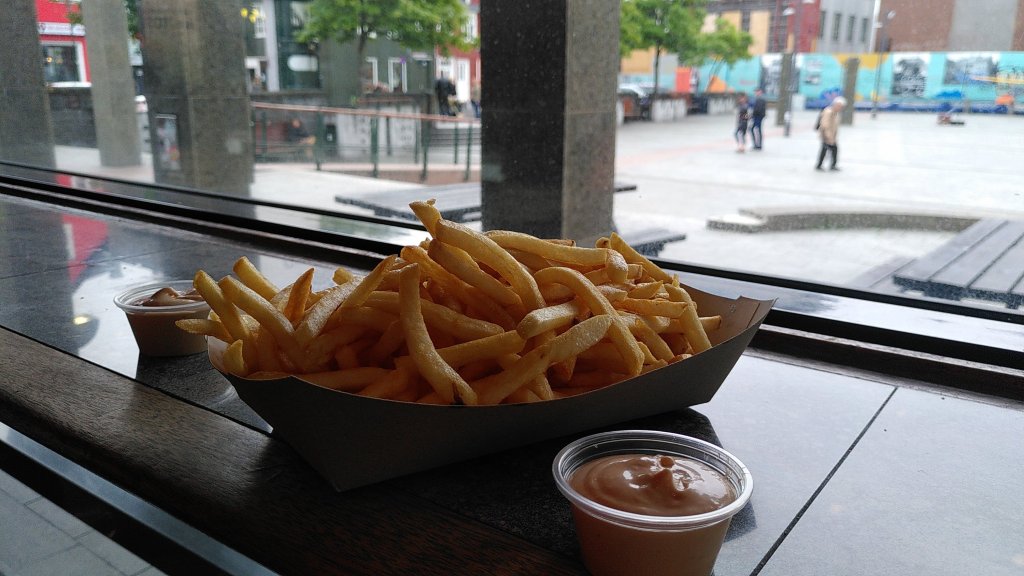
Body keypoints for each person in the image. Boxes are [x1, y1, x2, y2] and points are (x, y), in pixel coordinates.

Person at [815, 96, 846, 171]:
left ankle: (826, 165)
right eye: (839, 106)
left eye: (841, 107)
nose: (840, 108)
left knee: (828, 149)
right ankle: (825, 165)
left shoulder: (835, 113)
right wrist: (829, 136)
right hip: (827, 135)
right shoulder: (828, 112)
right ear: (835, 104)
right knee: (828, 149)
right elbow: (825, 125)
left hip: (831, 135)